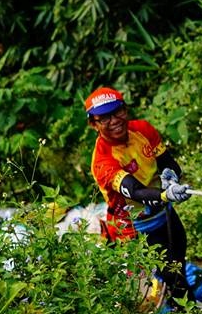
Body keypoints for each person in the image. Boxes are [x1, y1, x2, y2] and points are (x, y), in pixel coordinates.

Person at [83, 86, 193, 299]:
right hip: (134, 229)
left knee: (177, 260)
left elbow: (167, 162)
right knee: (154, 282)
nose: (114, 120)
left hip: (164, 214)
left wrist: (171, 175)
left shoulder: (143, 130)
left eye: (118, 112)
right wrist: (164, 195)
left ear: (126, 109)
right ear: (93, 124)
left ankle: (185, 308)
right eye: (104, 118)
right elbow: (134, 190)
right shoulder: (102, 161)